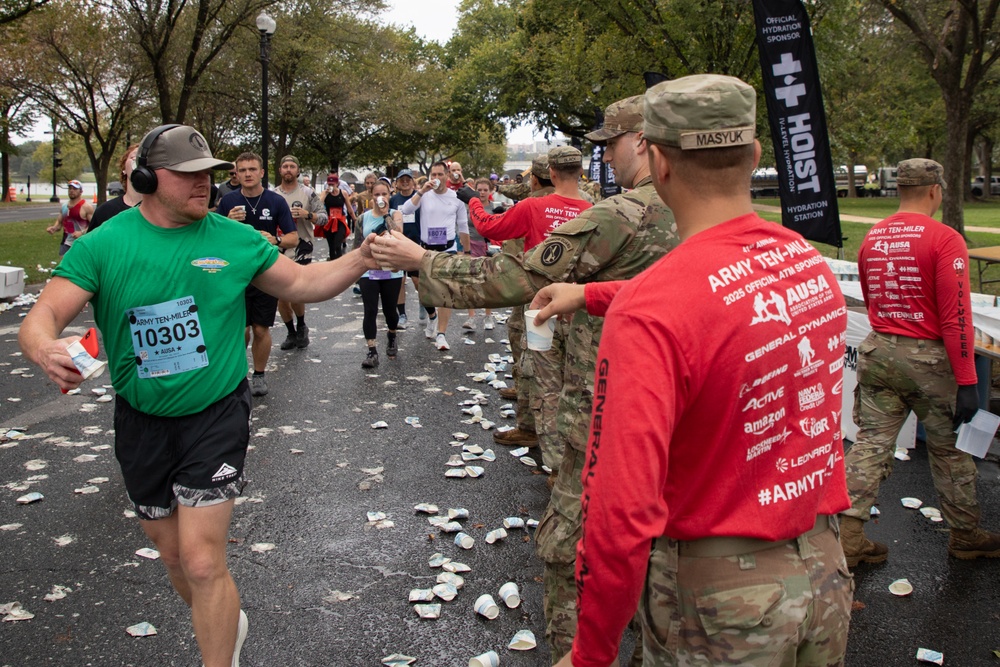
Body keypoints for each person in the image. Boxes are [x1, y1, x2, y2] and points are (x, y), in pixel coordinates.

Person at [18, 124, 382, 667]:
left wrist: (363, 255)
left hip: (215, 413)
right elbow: (41, 317)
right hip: (141, 418)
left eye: (208, 175)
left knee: (204, 561)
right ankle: (225, 621)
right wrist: (46, 348)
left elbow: (305, 284)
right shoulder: (104, 244)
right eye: (187, 176)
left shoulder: (234, 240)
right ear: (147, 178)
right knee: (173, 556)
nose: (203, 186)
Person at [529, 75, 852, 667]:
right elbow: (722, 298)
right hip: (825, 574)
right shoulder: (808, 265)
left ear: (657, 160)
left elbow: (621, 514)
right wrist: (593, 295)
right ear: (754, 155)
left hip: (721, 603)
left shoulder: (652, 311)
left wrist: (591, 653)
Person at [370, 94, 679, 662]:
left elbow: (514, 275)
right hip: (683, 416)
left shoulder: (623, 215)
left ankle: (576, 649)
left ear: (642, 142)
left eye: (609, 144)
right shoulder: (712, 220)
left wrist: (422, 261)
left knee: (571, 541)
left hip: (609, 406)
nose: (605, 157)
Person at [841, 158, 1000, 565]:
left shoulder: (873, 237)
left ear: (900, 190)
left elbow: (872, 298)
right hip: (929, 361)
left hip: (879, 352)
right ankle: (965, 535)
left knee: (872, 444)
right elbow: (956, 317)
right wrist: (968, 382)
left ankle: (848, 535)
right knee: (950, 451)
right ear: (935, 191)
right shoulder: (945, 239)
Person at [457, 147, 593, 470]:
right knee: (574, 386)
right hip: (580, 308)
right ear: (580, 172)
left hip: (541, 309)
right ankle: (575, 463)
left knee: (544, 387)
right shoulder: (594, 209)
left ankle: (558, 468)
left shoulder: (533, 207)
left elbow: (488, 226)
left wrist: (472, 199)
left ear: (549, 175)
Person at [217, 153, 298, 397]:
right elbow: (212, 238)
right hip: (236, 275)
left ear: (262, 172)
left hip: (265, 272)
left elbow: (293, 238)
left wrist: (276, 239)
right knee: (240, 330)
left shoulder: (275, 201)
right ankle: (238, 372)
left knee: (261, 329)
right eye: (242, 170)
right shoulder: (227, 201)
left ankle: (259, 374)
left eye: (252, 169)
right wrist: (227, 221)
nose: (247, 174)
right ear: (237, 174)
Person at [398, 160, 471, 351]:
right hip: (426, 249)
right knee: (424, 291)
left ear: (447, 176)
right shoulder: (424, 195)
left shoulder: (456, 198)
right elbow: (405, 210)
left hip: (448, 249)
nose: (436, 178)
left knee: (445, 293)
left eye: (440, 175)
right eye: (433, 175)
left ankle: (441, 334)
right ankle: (432, 316)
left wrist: (467, 251)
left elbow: (463, 226)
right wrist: (421, 191)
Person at [273, 155, 327, 351]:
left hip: (302, 248)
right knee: (280, 295)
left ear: (297, 170)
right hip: (278, 248)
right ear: (280, 170)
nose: (288, 169)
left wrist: (308, 215)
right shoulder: (272, 194)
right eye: (285, 166)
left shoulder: (308, 193)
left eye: (292, 166)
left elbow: (324, 218)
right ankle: (291, 331)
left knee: (295, 291)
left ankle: (302, 324)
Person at [352, 179, 404, 367]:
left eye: (384, 194)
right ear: (371, 196)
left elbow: (399, 236)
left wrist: (385, 216)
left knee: (390, 310)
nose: (380, 197)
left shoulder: (395, 214)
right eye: (376, 194)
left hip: (391, 270)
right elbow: (357, 245)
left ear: (390, 195)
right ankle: (372, 351)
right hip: (369, 271)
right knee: (370, 310)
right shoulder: (363, 218)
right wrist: (356, 272)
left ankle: (391, 334)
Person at [460, 177, 498, 331]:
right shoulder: (468, 206)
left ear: (490, 191)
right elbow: (462, 226)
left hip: (488, 246)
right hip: (470, 245)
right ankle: (471, 317)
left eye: (485, 190)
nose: (482, 193)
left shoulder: (494, 207)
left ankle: (488, 316)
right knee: (470, 281)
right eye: (479, 190)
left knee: (487, 281)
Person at [390, 169, 421, 328]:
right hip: (399, 244)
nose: (405, 182)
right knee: (399, 281)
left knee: (417, 281)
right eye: (401, 179)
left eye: (408, 179)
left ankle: (425, 305)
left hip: (416, 244)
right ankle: (401, 314)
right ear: (397, 183)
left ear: (413, 181)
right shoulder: (393, 200)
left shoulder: (419, 197)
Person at [89, 144, 141, 232]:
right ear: (124, 168)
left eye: (144, 157)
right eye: (134, 157)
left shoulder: (163, 212)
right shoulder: (105, 211)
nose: (138, 160)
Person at [47, 180, 93, 256]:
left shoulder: (86, 207)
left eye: (75, 189)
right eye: (70, 188)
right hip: (66, 243)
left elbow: (94, 226)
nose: (71, 191)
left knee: (79, 267)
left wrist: (82, 233)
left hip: (81, 243)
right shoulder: (64, 206)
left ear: (81, 191)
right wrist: (54, 228)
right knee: (63, 266)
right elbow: (59, 223)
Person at [321, 173, 356, 261]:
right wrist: (325, 194)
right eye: (329, 184)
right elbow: (319, 205)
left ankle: (340, 263)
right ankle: (333, 266)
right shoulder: (325, 193)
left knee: (337, 244)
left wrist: (355, 219)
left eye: (333, 184)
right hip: (329, 221)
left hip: (340, 220)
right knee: (331, 247)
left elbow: (349, 208)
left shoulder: (343, 193)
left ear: (337, 184)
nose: (331, 186)